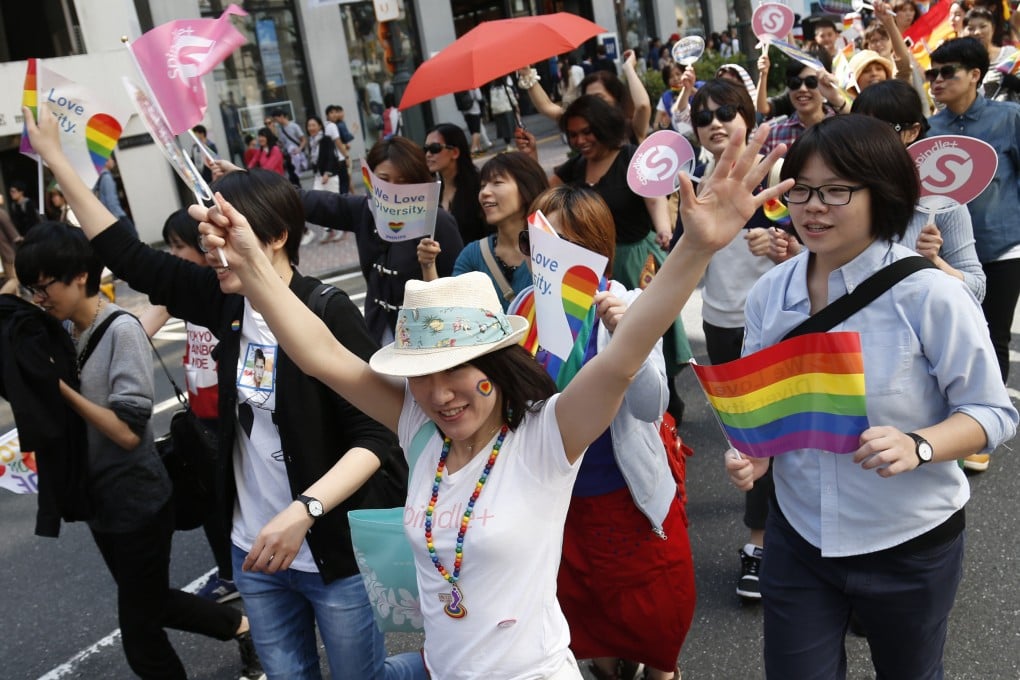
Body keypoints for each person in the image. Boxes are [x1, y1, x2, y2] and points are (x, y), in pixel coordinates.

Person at [191, 105, 793, 680]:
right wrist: (252, 265)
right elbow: (320, 355)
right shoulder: (420, 428)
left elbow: (624, 357)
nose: (440, 394)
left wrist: (695, 248)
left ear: (497, 365)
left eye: (459, 370)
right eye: (423, 373)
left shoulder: (543, 436)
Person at [24, 103, 420, 680]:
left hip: (331, 552)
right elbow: (128, 256)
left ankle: (440, 664)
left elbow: (377, 435)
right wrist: (57, 159)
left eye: (225, 236)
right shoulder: (225, 301)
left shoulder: (327, 310)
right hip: (253, 551)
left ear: (276, 237)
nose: (211, 250)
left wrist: (304, 511)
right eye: (208, 238)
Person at [725, 114, 1017, 679]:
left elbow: (993, 411)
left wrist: (920, 445)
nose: (813, 207)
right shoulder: (770, 292)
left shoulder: (930, 293)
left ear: (882, 193)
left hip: (909, 542)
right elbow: (762, 405)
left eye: (836, 191)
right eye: (802, 190)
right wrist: (753, 452)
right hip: (799, 536)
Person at [14, 221, 263, 680]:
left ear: (80, 276)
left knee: (140, 633)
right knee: (149, 601)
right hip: (97, 499)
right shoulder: (63, 329)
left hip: (138, 499)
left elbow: (129, 434)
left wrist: (60, 388)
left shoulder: (120, 331)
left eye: (44, 286)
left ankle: (242, 628)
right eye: (32, 288)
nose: (39, 298)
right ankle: (242, 626)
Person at [516, 186, 694, 680]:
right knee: (586, 611)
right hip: (559, 496)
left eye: (563, 244)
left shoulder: (629, 303)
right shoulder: (524, 305)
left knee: (654, 612)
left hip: (625, 492)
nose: (545, 256)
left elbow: (652, 404)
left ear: (596, 249)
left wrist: (624, 336)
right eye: (538, 241)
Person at [677, 79, 779, 601]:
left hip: (782, 322)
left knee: (796, 432)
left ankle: (811, 539)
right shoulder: (694, 186)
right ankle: (760, 544)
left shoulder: (776, 174)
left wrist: (784, 242)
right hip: (723, 325)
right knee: (749, 439)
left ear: (748, 117)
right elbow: (684, 262)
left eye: (725, 112)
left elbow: (824, 241)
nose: (715, 123)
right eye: (704, 116)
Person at [553, 94, 691, 423]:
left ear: (604, 126)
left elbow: (655, 199)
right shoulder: (575, 167)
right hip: (590, 266)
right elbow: (547, 200)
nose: (580, 140)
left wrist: (663, 229)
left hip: (637, 260)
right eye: (573, 135)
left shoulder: (630, 156)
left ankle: (667, 409)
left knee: (649, 332)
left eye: (587, 132)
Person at [927, 36, 1020, 471]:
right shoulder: (930, 128)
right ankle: (950, 422)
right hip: (943, 254)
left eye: (947, 72)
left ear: (975, 75)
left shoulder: (1009, 118)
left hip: (1002, 248)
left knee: (993, 336)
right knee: (949, 337)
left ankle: (982, 432)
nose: (937, 80)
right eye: (932, 73)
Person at [138, 209, 239, 605]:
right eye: (170, 246)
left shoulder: (230, 288)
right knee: (210, 496)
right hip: (201, 413)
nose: (173, 254)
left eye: (179, 245)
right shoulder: (184, 291)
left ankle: (242, 570)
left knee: (233, 496)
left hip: (233, 413)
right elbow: (137, 331)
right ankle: (231, 572)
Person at [299, 136, 464, 345]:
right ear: (370, 179)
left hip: (428, 335)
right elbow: (313, 203)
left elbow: (458, 287)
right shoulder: (365, 210)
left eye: (402, 182)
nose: (391, 190)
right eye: (383, 180)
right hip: (379, 332)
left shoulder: (437, 221)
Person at [418, 153, 547, 305]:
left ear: (527, 188)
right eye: (482, 186)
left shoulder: (551, 250)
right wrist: (428, 266)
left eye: (497, 182)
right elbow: (447, 309)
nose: (484, 192)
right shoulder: (473, 255)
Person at [521, 49, 653, 144]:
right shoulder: (582, 124)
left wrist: (629, 68)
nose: (594, 103)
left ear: (616, 98)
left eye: (599, 97)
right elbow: (546, 106)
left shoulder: (631, 128)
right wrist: (527, 73)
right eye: (589, 98)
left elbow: (643, 105)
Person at [762, 57, 848, 156]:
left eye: (811, 82)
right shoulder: (773, 135)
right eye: (795, 82)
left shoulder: (843, 129)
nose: (802, 89)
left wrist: (837, 99)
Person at [422, 123, 487, 244]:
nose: (428, 154)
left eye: (435, 148)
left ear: (455, 152)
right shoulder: (433, 191)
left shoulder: (479, 188)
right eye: (426, 149)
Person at [963, 7, 1020, 103]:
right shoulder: (962, 63)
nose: (977, 32)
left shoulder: (1011, 54)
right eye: (971, 28)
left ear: (993, 28)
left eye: (983, 26)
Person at [94, 156, 137, 238]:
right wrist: (117, 220)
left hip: (109, 217)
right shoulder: (107, 178)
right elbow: (111, 202)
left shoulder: (101, 178)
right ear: (105, 162)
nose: (113, 161)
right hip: (118, 215)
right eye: (111, 159)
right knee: (133, 237)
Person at [489, 75, 520, 152]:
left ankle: (508, 144)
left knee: (504, 129)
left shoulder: (492, 89)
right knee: (511, 127)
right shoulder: (506, 88)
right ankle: (517, 143)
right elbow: (512, 99)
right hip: (507, 109)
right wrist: (516, 106)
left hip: (497, 112)